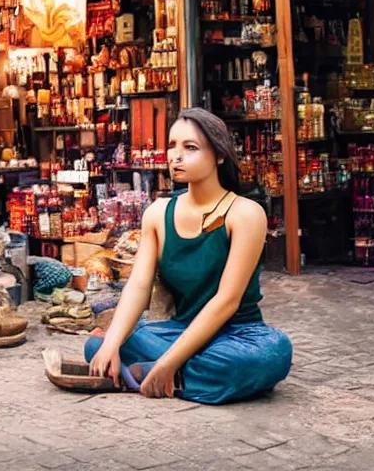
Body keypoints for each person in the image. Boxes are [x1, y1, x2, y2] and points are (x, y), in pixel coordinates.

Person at [85, 108, 292, 404]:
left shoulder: (244, 213)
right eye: (172, 146)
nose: (176, 156)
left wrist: (169, 361)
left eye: (190, 148)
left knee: (274, 353)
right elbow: (139, 287)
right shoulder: (158, 213)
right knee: (98, 348)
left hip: (238, 337)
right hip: (179, 330)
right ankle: (179, 378)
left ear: (219, 155)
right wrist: (112, 343)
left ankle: (163, 374)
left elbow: (227, 301)